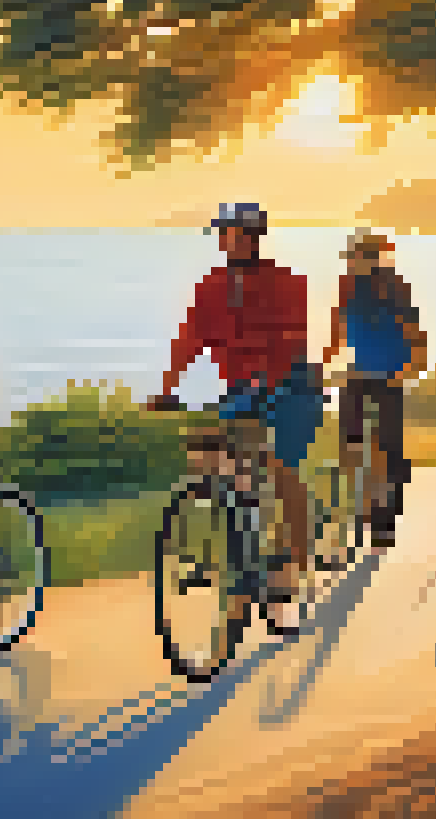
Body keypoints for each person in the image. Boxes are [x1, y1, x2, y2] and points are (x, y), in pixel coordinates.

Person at [146, 202, 320, 637]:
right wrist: (168, 389)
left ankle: (287, 575)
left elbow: (291, 337)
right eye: (224, 232)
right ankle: (238, 565)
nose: (229, 239)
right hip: (243, 388)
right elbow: (189, 340)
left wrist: (269, 382)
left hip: (292, 385)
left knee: (281, 470)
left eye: (238, 232)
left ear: (255, 235)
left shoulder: (287, 282)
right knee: (211, 461)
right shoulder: (211, 287)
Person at [320, 228, 427, 548]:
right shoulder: (346, 286)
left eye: (362, 256)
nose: (356, 262)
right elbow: (338, 330)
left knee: (385, 447)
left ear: (374, 258)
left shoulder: (395, 287)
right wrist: (321, 366)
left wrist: (413, 366)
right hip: (359, 372)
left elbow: (414, 332)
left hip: (391, 373)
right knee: (349, 444)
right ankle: (363, 499)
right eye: (353, 257)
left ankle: (384, 518)